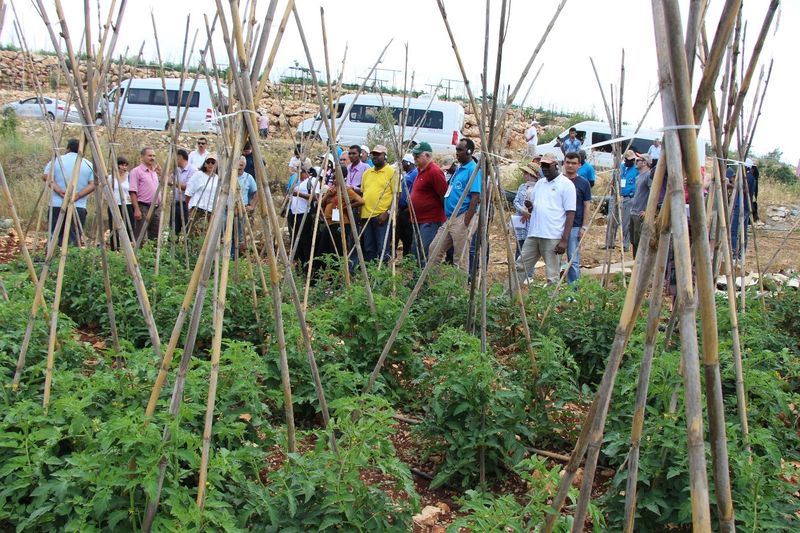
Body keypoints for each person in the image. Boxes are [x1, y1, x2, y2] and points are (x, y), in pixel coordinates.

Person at [514, 153, 575, 287]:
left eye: (548, 165)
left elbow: (570, 214)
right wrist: (530, 207)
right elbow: (535, 208)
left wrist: (564, 240)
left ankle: (550, 305)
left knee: (552, 275)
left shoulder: (566, 185)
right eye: (543, 165)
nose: (545, 168)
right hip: (534, 233)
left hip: (552, 236)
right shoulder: (540, 184)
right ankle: (506, 298)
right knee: (520, 266)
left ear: (556, 166)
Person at [432, 138, 481, 274]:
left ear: (469, 151)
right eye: (456, 150)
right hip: (450, 217)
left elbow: (476, 196)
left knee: (460, 258)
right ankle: (433, 284)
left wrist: (466, 221)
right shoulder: (459, 168)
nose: (457, 153)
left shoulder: (473, 170)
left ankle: (459, 292)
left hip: (461, 217)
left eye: (460, 150)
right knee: (434, 249)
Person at [43, 138, 95, 247]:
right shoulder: (87, 164)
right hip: (78, 205)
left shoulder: (57, 160)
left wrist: (60, 191)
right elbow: (93, 184)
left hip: (57, 205)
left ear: (68, 148)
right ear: (82, 150)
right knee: (73, 237)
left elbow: (46, 176)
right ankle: (71, 260)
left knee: (54, 235)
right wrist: (78, 195)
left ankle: (51, 260)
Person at [409, 143, 447, 265]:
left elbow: (443, 195)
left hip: (430, 221)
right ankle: (416, 279)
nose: (414, 158)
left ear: (427, 155)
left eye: (417, 155)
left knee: (426, 252)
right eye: (414, 155)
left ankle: (425, 281)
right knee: (416, 251)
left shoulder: (435, 172)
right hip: (418, 219)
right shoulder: (420, 171)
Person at [360, 145, 396, 262]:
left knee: (382, 249)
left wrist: (388, 212)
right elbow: (363, 193)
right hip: (366, 216)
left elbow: (397, 195)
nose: (375, 157)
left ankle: (382, 279)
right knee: (369, 250)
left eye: (378, 154)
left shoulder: (391, 172)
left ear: (385, 156)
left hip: (382, 216)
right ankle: (370, 278)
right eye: (373, 154)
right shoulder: (367, 173)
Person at [563, 152, 592, 284]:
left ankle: (573, 291)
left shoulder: (583, 183)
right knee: (554, 257)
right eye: (568, 162)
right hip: (557, 224)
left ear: (579, 165)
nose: (570, 165)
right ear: (564, 163)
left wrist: (584, 227)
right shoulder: (558, 181)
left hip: (575, 226)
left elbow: (587, 205)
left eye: (573, 163)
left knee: (573, 260)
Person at [319, 180, 364, 258]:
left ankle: (338, 268)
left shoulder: (346, 190)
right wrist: (327, 195)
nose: (335, 180)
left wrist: (346, 207)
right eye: (334, 178)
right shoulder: (331, 190)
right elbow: (321, 203)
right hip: (329, 223)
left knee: (337, 249)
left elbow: (361, 201)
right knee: (324, 248)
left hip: (340, 222)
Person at [287, 166, 320, 266]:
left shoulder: (313, 181)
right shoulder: (297, 180)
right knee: (296, 240)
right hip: (294, 213)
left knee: (305, 240)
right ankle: (299, 263)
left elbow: (315, 197)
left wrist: (298, 194)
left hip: (305, 214)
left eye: (301, 171)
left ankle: (307, 264)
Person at [129, 147, 163, 243]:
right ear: (142, 157)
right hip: (143, 207)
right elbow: (132, 191)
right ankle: (136, 255)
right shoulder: (136, 171)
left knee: (155, 236)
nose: (152, 158)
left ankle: (152, 256)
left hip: (156, 208)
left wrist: (161, 173)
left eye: (153, 156)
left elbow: (168, 182)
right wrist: (136, 209)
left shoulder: (154, 172)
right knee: (140, 235)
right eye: (149, 155)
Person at [605, 149, 637, 251]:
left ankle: (625, 244)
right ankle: (609, 243)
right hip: (616, 196)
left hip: (628, 198)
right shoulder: (620, 168)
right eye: (629, 160)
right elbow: (613, 180)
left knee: (626, 222)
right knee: (611, 219)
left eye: (632, 160)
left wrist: (632, 194)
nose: (631, 161)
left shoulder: (636, 170)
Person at [184, 154, 219, 233]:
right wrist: (189, 209)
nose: (210, 164)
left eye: (213, 162)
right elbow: (188, 193)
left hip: (211, 211)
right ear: (205, 163)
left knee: (207, 235)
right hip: (199, 209)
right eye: (208, 162)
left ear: (216, 165)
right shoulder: (198, 175)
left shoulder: (217, 179)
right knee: (195, 233)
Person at [512, 162, 540, 257]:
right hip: (520, 222)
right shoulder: (522, 187)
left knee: (529, 251)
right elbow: (516, 201)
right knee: (519, 248)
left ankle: (528, 272)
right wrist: (522, 210)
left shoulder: (539, 188)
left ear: (532, 175)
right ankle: (518, 270)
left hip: (531, 224)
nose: (524, 175)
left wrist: (529, 212)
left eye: (526, 173)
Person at [106, 156, 133, 250]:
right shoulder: (110, 178)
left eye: (126, 165)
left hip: (127, 204)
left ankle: (128, 248)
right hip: (114, 205)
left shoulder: (130, 177)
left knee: (129, 227)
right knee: (114, 227)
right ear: (117, 166)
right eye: (122, 165)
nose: (124, 167)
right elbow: (106, 191)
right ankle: (114, 248)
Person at [730, 161, 756, 258]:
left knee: (734, 229)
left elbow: (745, 191)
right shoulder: (750, 177)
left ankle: (733, 252)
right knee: (743, 231)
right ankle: (742, 253)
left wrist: (734, 186)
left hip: (741, 206)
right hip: (745, 206)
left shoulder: (747, 177)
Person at [629, 154, 653, 257]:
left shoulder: (648, 176)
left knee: (640, 240)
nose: (636, 161)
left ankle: (640, 264)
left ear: (645, 162)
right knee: (633, 240)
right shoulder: (638, 176)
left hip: (641, 213)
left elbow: (653, 193)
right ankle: (635, 263)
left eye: (638, 159)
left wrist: (648, 210)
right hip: (633, 211)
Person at [234, 155, 258, 254]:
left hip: (243, 208)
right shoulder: (229, 175)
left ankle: (241, 254)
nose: (240, 167)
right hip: (229, 208)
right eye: (238, 165)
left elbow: (256, 192)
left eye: (242, 165)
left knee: (243, 234)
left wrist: (252, 206)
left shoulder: (248, 177)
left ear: (244, 166)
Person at [396, 153, 418, 258]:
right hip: (402, 208)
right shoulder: (408, 173)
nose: (402, 165)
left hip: (408, 209)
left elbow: (414, 191)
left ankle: (408, 257)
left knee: (408, 235)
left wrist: (409, 208)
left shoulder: (414, 173)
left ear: (408, 162)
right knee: (403, 235)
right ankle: (405, 256)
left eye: (403, 162)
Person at [171, 149, 195, 236]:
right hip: (175, 204)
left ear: (180, 158)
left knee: (187, 231)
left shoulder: (192, 170)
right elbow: (171, 180)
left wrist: (174, 183)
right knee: (173, 230)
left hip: (186, 205)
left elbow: (188, 188)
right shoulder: (177, 170)